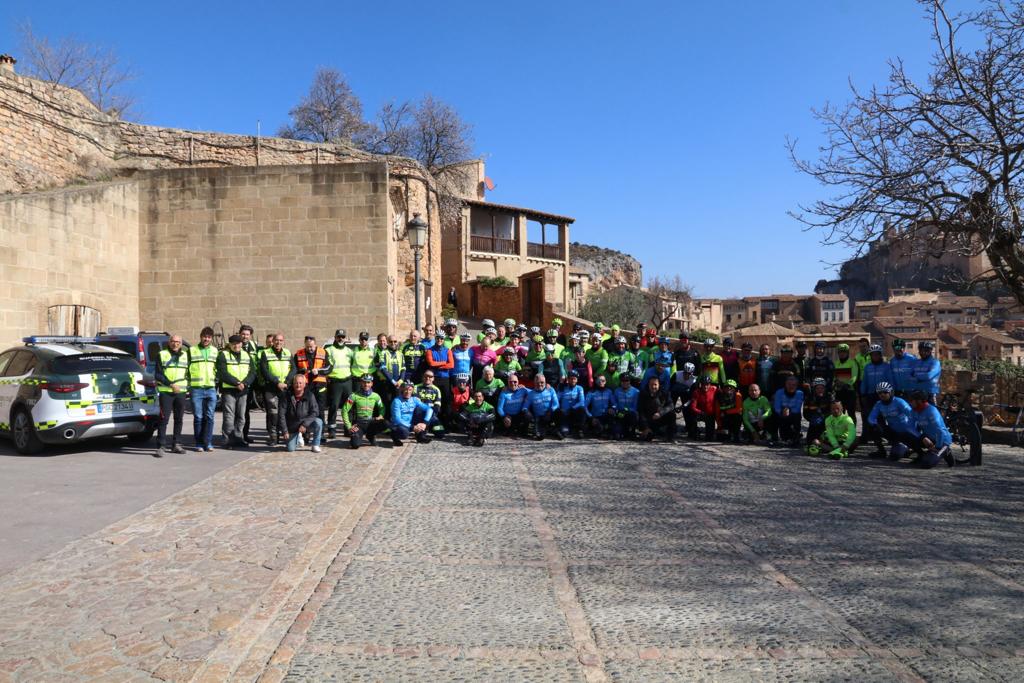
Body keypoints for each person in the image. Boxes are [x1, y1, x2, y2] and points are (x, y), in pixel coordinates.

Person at [217, 334, 256, 449]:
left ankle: (238, 438)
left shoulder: (246, 355)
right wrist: (236, 383)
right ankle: (227, 440)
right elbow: (222, 372)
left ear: (241, 344)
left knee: (241, 416)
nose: (236, 346)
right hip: (229, 390)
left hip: (243, 390)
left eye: (238, 343)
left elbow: (252, 372)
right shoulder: (223, 355)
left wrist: (245, 383)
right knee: (229, 417)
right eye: (233, 344)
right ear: (229, 344)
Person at [154, 334, 189, 456]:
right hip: (166, 391)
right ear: (169, 342)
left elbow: (189, 373)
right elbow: (158, 375)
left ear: (181, 343)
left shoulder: (186, 355)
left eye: (178, 342)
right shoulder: (162, 354)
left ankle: (176, 444)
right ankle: (161, 446)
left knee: (179, 419)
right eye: (173, 341)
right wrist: (171, 384)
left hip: (181, 392)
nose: (175, 344)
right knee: (163, 419)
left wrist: (188, 385)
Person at [866, 381, 918, 460]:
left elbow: (912, 415)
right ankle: (881, 451)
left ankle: (909, 448)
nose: (882, 395)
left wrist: (913, 430)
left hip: (906, 433)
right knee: (873, 428)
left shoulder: (899, 402)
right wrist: (875, 425)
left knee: (894, 456)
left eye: (885, 392)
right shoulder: (879, 404)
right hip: (893, 433)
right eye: (879, 393)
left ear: (890, 392)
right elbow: (871, 418)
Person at [187, 326, 218, 452]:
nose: (206, 339)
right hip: (197, 388)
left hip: (210, 388)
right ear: (201, 337)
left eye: (209, 337)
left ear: (211, 338)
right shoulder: (192, 350)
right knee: (198, 417)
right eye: (204, 337)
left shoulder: (215, 351)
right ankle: (199, 443)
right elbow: (186, 367)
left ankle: (208, 442)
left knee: (210, 417)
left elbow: (217, 368)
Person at [260, 332, 293, 446]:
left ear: (283, 342)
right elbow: (264, 371)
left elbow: (293, 369)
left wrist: (287, 382)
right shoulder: (266, 353)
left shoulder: (287, 352)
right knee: (273, 414)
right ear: (273, 341)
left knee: (285, 413)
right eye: (276, 340)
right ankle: (274, 437)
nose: (278, 342)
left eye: (281, 340)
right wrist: (277, 382)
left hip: (285, 388)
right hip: (271, 388)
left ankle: (285, 435)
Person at [278, 374, 323, 453]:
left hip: (306, 423)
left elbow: (315, 411)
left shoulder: (310, 395)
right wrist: (285, 431)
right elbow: (281, 414)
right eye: (296, 383)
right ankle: (298, 437)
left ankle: (315, 444)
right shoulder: (286, 396)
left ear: (304, 384)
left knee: (318, 422)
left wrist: (305, 424)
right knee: (290, 449)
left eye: (300, 383)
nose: (298, 385)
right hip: (292, 425)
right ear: (293, 384)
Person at [859, 344, 893, 446]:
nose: (875, 356)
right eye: (873, 355)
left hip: (883, 395)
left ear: (880, 355)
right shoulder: (867, 367)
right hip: (870, 395)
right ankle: (866, 436)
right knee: (867, 416)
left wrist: (891, 393)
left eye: (877, 354)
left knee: (882, 418)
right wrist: (862, 394)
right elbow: (864, 381)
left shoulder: (886, 366)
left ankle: (888, 437)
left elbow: (890, 380)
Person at [909, 390, 954, 467]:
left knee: (926, 464)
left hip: (942, 440)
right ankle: (921, 456)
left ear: (919, 401)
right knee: (908, 436)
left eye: (911, 400)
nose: (910, 403)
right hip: (930, 439)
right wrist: (922, 437)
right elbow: (911, 428)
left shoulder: (931, 411)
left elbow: (939, 431)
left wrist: (937, 447)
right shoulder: (914, 411)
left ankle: (946, 451)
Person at [324, 329, 354, 439]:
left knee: (348, 406)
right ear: (335, 337)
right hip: (335, 382)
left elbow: (352, 365)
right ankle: (332, 429)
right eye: (339, 337)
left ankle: (348, 428)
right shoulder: (329, 350)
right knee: (334, 406)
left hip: (347, 381)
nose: (341, 339)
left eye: (343, 337)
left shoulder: (349, 351)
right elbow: (326, 365)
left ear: (345, 338)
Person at [292, 336, 331, 420]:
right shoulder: (298, 354)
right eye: (307, 347)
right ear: (304, 345)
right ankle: (307, 426)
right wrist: (301, 371)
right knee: (306, 407)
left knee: (320, 408)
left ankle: (321, 426)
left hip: (320, 384)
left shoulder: (323, 352)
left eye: (311, 346)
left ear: (315, 344)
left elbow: (329, 367)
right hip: (305, 385)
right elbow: (294, 369)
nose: (309, 349)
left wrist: (318, 371)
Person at [343, 375, 387, 449]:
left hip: (371, 422)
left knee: (386, 423)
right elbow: (344, 410)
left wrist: (381, 415)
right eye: (364, 382)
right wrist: (349, 426)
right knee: (355, 445)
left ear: (371, 383)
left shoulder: (376, 396)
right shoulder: (354, 396)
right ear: (361, 383)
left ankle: (370, 436)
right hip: (359, 423)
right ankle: (355, 437)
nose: (366, 384)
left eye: (368, 382)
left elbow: (382, 407)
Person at [238, 324, 261, 444]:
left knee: (246, 410)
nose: (245, 336)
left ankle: (245, 435)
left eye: (247, 334)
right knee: (236, 411)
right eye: (243, 334)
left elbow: (256, 364)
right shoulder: (234, 344)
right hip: (237, 383)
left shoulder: (254, 346)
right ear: (239, 334)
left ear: (250, 336)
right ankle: (236, 435)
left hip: (250, 383)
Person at [424, 331, 454, 415]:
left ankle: (446, 418)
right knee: (434, 399)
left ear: (443, 339)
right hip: (434, 378)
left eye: (441, 338)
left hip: (445, 378)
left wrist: (439, 366)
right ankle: (434, 417)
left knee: (446, 399)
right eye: (438, 338)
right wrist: (444, 363)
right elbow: (431, 363)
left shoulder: (448, 350)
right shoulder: (430, 350)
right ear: (435, 338)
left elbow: (451, 365)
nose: (439, 340)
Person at [638, 376, 676, 442]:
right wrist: (646, 427)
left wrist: (660, 413)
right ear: (648, 385)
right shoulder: (643, 394)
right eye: (651, 384)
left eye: (655, 384)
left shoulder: (664, 392)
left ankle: (670, 437)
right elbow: (641, 411)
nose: (653, 386)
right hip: (649, 420)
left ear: (659, 385)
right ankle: (648, 432)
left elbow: (671, 405)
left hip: (659, 417)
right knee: (647, 438)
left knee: (672, 414)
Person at [771, 374, 804, 447]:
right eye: (789, 384)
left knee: (797, 416)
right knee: (774, 414)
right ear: (785, 384)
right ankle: (775, 437)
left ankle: (796, 438)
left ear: (796, 385)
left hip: (793, 415)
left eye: (793, 385)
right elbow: (777, 407)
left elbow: (797, 408)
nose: (791, 386)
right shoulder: (779, 392)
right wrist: (783, 410)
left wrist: (789, 410)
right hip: (782, 414)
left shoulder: (800, 393)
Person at [526, 374, 561, 440]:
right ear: (534, 383)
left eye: (542, 382)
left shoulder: (551, 390)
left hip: (550, 415)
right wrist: (526, 412)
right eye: (537, 383)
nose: (540, 384)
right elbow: (524, 407)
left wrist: (550, 411)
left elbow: (556, 404)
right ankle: (549, 429)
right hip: (539, 418)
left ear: (545, 382)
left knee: (559, 412)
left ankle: (555, 428)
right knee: (540, 437)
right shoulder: (531, 394)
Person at [802, 378, 832, 454]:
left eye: (822, 388)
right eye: (817, 388)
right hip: (814, 423)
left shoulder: (830, 396)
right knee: (810, 442)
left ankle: (824, 445)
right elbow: (805, 413)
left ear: (825, 388)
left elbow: (833, 410)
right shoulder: (809, 397)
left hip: (827, 422)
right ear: (814, 389)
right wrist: (811, 418)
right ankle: (814, 443)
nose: (820, 390)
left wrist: (824, 417)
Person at [832, 343, 859, 426]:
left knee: (851, 413)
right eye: (840, 352)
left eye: (844, 352)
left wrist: (845, 384)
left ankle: (852, 431)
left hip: (849, 392)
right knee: (839, 413)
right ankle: (841, 431)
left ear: (847, 352)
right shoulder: (836, 363)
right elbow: (833, 377)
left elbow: (854, 377)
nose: (842, 354)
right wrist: (835, 383)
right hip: (839, 392)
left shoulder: (852, 362)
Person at [376, 335, 404, 412]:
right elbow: (383, 368)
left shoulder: (400, 354)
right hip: (387, 383)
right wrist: (392, 381)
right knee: (387, 404)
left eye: (395, 341)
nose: (393, 343)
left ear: (397, 342)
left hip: (398, 384)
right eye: (391, 341)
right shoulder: (383, 353)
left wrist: (401, 380)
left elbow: (403, 368)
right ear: (387, 342)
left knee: (397, 404)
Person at [687, 374, 718, 441]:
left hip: (711, 414)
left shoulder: (715, 389)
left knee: (709, 438)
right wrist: (701, 412)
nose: (705, 386)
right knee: (692, 416)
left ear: (710, 384)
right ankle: (693, 432)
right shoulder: (696, 392)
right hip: (700, 413)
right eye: (703, 384)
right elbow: (693, 407)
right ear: (701, 384)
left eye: (707, 384)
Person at [557, 371, 587, 438]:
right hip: (564, 413)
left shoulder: (580, 388)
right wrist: (560, 409)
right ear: (568, 379)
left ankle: (580, 429)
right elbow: (556, 400)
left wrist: (572, 408)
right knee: (564, 433)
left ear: (577, 380)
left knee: (582, 409)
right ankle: (562, 428)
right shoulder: (562, 387)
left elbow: (582, 401)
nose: (573, 380)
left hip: (574, 412)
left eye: (574, 379)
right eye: (571, 379)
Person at [415, 370, 445, 437]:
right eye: (426, 376)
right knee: (420, 434)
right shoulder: (416, 387)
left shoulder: (436, 390)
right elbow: (417, 405)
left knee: (441, 433)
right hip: (419, 415)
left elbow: (437, 407)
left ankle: (427, 427)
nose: (427, 378)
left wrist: (429, 414)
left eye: (430, 376)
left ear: (433, 378)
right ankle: (421, 428)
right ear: (422, 377)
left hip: (431, 415)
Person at [612, 374, 640, 440]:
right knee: (617, 435)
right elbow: (614, 404)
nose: (625, 382)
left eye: (627, 380)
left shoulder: (636, 392)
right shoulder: (616, 391)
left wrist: (625, 410)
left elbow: (635, 407)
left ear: (630, 381)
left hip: (630, 414)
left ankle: (632, 431)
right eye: (623, 381)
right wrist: (613, 408)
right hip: (619, 414)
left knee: (634, 414)